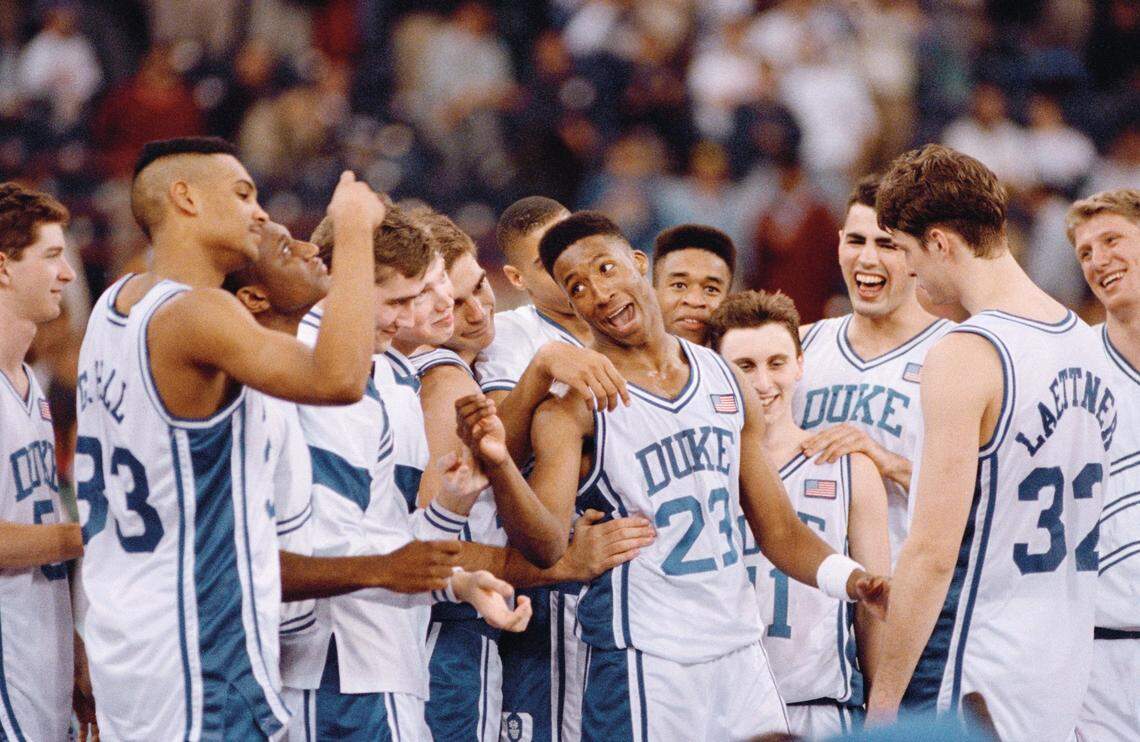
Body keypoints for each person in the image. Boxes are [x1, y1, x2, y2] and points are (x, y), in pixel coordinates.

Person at [458, 210, 889, 740]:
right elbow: (546, 544)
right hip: (646, 657)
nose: (599, 292)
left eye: (606, 269)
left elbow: (779, 531)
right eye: (579, 286)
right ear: (572, 305)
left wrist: (853, 579)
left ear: (638, 264)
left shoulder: (723, 374)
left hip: (739, 650)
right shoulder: (572, 408)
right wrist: (501, 464)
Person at [74, 136, 380, 738]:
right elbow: (342, 377)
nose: (260, 212)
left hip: (129, 639)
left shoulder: (115, 303)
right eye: (243, 194)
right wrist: (354, 234)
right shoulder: (196, 314)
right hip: (197, 645)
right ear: (185, 199)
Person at [226, 220, 529, 741]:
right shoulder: (293, 367)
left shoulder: (389, 379)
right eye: (398, 300)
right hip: (330, 661)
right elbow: (296, 540)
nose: (414, 314)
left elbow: (383, 531)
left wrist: (452, 532)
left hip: (385, 653)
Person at [866, 145, 1116, 742]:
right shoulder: (1085, 341)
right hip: (1059, 671)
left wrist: (884, 700)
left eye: (902, 250)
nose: (905, 272)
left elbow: (930, 555)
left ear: (941, 244)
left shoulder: (967, 354)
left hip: (970, 670)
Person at [709, 289, 890, 738]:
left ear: (799, 365)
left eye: (776, 363)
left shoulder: (850, 466)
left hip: (822, 706)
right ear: (716, 369)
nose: (764, 383)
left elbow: (875, 610)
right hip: (719, 706)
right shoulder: (701, 467)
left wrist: (883, 712)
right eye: (744, 366)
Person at [794, 175, 954, 563]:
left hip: (906, 592)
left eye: (887, 244)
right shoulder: (797, 347)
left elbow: (981, 495)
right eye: (856, 241)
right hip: (809, 597)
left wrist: (883, 459)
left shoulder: (954, 354)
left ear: (918, 254)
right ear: (839, 243)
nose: (867, 258)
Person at [0, 182, 84, 740]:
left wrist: (76, 650)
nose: (69, 273)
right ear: (4, 266)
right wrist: (96, 534)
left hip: (42, 654)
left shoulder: (31, 382)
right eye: (51, 256)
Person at [1066, 190, 1140, 742]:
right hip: (1099, 653)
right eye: (1086, 252)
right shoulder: (1071, 370)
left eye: (1112, 240)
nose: (1098, 260)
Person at [651, 223, 735, 346]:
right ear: (652, 293)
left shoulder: (739, 363)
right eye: (679, 285)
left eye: (711, 289)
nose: (695, 301)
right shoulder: (616, 363)